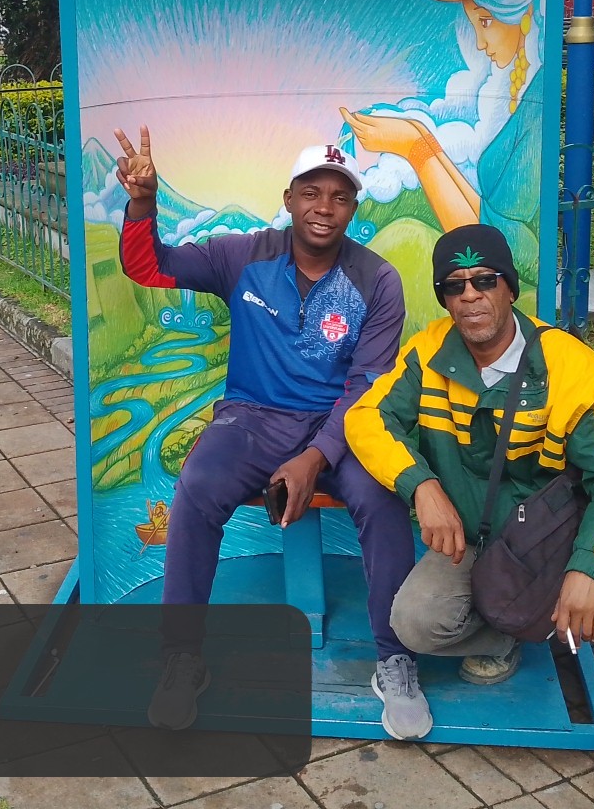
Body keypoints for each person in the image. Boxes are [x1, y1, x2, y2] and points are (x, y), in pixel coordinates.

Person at [345, 225, 594, 809]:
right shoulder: (428, 353)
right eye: (455, 286)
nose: (470, 296)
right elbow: (367, 417)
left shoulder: (569, 365)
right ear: (444, 298)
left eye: (484, 281)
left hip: (559, 534)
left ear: (509, 288)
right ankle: (511, 632)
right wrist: (421, 485)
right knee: (415, 622)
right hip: (480, 538)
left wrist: (590, 569)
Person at [113, 127, 427, 738]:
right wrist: (143, 203)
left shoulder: (377, 280)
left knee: (381, 496)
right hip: (251, 418)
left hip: (343, 424)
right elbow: (150, 267)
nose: (324, 207)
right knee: (197, 487)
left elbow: (366, 388)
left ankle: (395, 659)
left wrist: (316, 456)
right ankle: (182, 657)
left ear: (353, 208)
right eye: (311, 193)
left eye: (339, 196)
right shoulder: (243, 256)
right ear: (288, 199)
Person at [341, 0, 547, 302]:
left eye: (486, 22)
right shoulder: (524, 92)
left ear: (521, 9)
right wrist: (418, 137)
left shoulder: (535, 108)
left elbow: (503, 247)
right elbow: (488, 222)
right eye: (475, 25)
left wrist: (415, 149)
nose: (481, 42)